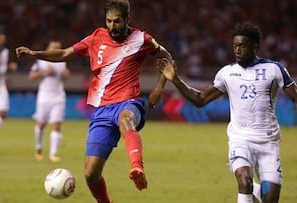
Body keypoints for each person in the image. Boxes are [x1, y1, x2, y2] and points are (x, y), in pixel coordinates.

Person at [16, 0, 172, 202]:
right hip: (102, 110)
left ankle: (137, 167)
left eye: (117, 21)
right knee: (90, 174)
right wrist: (34, 54)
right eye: (109, 21)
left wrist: (159, 88)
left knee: (126, 120)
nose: (112, 26)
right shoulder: (96, 37)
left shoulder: (142, 39)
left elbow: (168, 57)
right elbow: (64, 53)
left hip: (129, 102)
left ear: (127, 19)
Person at [157, 22, 297, 203]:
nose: (237, 50)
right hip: (241, 139)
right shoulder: (227, 73)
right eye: (235, 46)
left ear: (255, 47)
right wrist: (175, 79)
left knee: (269, 199)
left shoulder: (274, 69)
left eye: (242, 46)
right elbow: (200, 100)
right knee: (244, 180)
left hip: (268, 142)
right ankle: (250, 189)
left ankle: (258, 192)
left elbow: (295, 97)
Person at [28, 41, 70, 163]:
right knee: (41, 124)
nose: (55, 50)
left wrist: (65, 74)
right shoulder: (41, 61)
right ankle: (39, 147)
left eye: (57, 48)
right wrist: (44, 72)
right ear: (48, 48)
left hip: (58, 96)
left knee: (57, 124)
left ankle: (53, 153)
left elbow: (66, 76)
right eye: (53, 48)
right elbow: (31, 76)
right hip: (44, 97)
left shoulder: (62, 61)